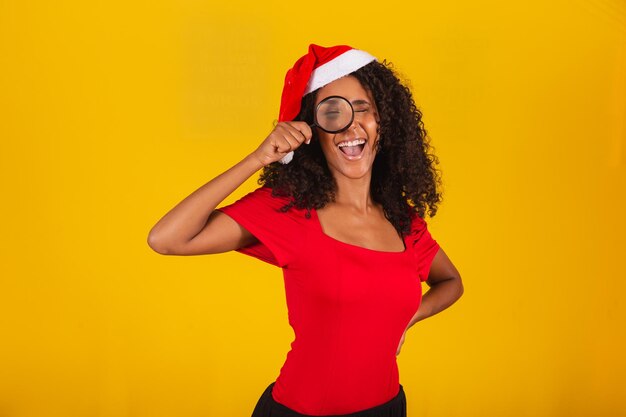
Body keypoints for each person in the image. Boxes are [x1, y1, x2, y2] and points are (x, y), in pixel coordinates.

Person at [148, 44, 464, 417]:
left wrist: (407, 315)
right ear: (312, 131)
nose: (350, 126)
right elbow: (166, 239)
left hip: (389, 407)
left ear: (383, 120)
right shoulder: (288, 211)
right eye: (332, 113)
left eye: (362, 108)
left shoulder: (401, 219)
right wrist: (258, 158)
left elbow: (451, 282)